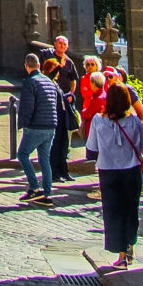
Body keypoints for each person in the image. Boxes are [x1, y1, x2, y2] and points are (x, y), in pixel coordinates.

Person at [86, 83, 143, 270]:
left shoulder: (98, 121)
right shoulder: (134, 121)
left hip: (108, 172)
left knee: (114, 212)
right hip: (131, 170)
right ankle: (129, 247)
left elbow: (91, 150)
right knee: (131, 209)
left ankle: (121, 254)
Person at [15, 50, 61, 204]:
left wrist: (24, 124)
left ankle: (34, 187)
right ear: (39, 65)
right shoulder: (49, 81)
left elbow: (27, 106)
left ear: (26, 66)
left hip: (36, 125)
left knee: (22, 154)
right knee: (45, 160)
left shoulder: (30, 81)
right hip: (51, 125)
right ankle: (47, 194)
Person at [49, 35, 81, 183]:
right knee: (55, 141)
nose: (62, 46)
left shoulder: (69, 62)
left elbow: (74, 79)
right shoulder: (50, 60)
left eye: (64, 44)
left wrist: (70, 95)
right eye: (60, 43)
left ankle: (64, 170)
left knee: (64, 141)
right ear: (55, 44)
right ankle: (54, 172)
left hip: (65, 103)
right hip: (54, 104)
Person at [78, 56, 106, 140]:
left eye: (92, 64)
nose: (89, 66)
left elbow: (105, 92)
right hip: (88, 106)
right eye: (87, 64)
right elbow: (84, 93)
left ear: (97, 66)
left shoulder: (102, 77)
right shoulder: (84, 78)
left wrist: (92, 92)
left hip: (100, 108)